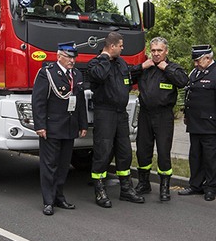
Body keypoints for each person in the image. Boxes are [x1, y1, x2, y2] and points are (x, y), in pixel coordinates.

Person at [87, 31, 144, 207]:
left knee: (124, 152)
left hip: (120, 113)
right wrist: (105, 57)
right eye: (120, 46)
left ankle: (126, 189)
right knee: (103, 152)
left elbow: (128, 78)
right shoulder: (96, 63)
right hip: (105, 113)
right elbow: (100, 76)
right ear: (111, 46)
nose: (122, 48)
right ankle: (100, 190)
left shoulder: (121, 63)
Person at [31, 41, 88, 216]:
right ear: (59, 56)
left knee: (63, 165)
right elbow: (38, 101)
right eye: (69, 57)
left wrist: (83, 124)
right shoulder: (47, 73)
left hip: (69, 127)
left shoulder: (77, 74)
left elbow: (80, 102)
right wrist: (40, 125)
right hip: (52, 126)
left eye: (74, 57)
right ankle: (48, 201)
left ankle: (59, 196)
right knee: (50, 165)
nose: (72, 61)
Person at [131, 37, 189, 201]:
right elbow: (125, 75)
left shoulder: (173, 68)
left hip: (163, 116)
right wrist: (141, 66)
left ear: (166, 51)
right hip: (145, 114)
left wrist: (167, 68)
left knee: (163, 151)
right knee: (143, 150)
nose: (156, 54)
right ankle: (144, 183)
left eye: (159, 50)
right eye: (153, 50)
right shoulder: (146, 67)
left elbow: (183, 81)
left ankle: (164, 186)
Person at [179, 44, 216, 201]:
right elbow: (190, 95)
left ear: (208, 58)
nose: (195, 63)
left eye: (198, 60)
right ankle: (195, 185)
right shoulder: (195, 72)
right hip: (195, 124)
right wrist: (187, 115)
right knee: (195, 157)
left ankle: (210, 187)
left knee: (212, 159)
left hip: (212, 126)